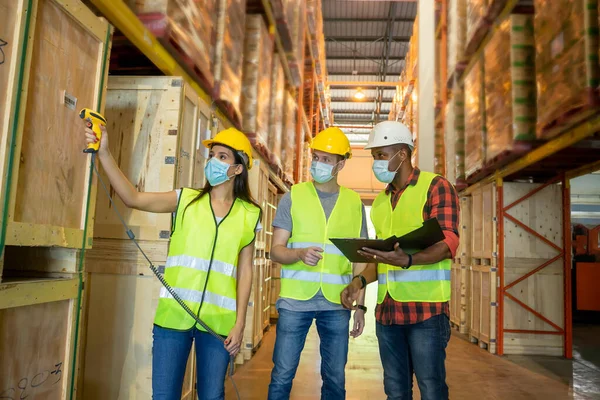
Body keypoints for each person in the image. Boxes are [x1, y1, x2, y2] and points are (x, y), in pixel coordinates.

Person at [83, 123, 262, 400]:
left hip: (218, 325)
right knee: (165, 396)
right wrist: (104, 152)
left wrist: (240, 324)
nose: (213, 161)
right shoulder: (186, 200)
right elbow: (132, 198)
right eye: (212, 155)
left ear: (238, 168)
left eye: (223, 156)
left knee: (212, 396)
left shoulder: (250, 214)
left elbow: (246, 271)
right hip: (172, 319)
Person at [340, 121, 460, 400]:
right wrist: (358, 282)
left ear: (402, 154)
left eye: (381, 155)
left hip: (426, 311)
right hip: (388, 312)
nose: (376, 163)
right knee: (395, 390)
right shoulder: (381, 203)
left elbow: (447, 244)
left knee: (431, 388)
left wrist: (407, 259)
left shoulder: (436, 187)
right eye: (374, 157)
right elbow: (382, 259)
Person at [267, 127, 369, 400]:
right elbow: (275, 251)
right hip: (295, 302)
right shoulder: (293, 196)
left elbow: (360, 259)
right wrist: (298, 254)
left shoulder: (353, 202)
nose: (318, 164)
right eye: (316, 157)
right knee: (282, 375)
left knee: (335, 379)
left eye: (326, 159)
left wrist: (360, 306)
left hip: (337, 304)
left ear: (341, 164)